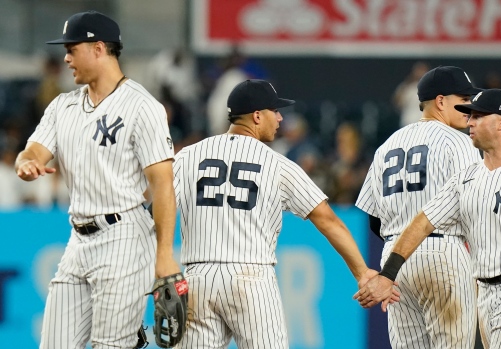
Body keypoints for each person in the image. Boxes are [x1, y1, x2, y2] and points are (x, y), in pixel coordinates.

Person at [355, 89, 501, 348]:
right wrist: (388, 274)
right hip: (485, 291)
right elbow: (422, 223)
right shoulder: (466, 178)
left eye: (478, 116)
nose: (469, 122)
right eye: (470, 116)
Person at [173, 79, 397, 348]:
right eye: (274, 111)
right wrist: (362, 272)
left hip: (198, 277)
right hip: (251, 278)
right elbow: (327, 219)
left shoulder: (187, 156)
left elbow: (154, 208)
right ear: (257, 116)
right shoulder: (276, 163)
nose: (280, 117)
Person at [14, 11, 181, 348]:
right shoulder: (63, 106)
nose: (65, 57)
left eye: (72, 48)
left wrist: (164, 256)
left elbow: (163, 184)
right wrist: (27, 164)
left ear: (98, 48)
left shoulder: (141, 106)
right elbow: (32, 152)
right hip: (78, 241)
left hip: (125, 237)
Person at [355, 65, 482, 349]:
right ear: (440, 101)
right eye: (463, 97)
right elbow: (476, 204)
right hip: (443, 251)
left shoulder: (387, 145)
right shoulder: (460, 142)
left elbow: (372, 220)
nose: (470, 105)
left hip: (394, 259)